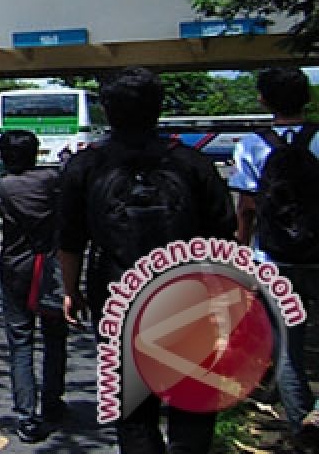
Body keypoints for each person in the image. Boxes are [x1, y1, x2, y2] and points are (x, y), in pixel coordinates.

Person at [59, 67, 236, 453]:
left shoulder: (85, 166)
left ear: (106, 109)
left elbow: (69, 239)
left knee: (132, 409)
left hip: (117, 295)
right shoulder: (193, 164)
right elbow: (225, 234)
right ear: (159, 108)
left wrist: (70, 291)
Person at [229, 66, 319, 452]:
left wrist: (242, 253)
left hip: (273, 257)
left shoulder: (251, 144)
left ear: (263, 99)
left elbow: (247, 207)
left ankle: (302, 429)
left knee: (287, 345)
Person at [0, 129, 67, 443]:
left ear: (1, 156)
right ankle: (53, 403)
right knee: (55, 337)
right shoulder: (55, 182)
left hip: (14, 269)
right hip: (53, 268)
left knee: (20, 342)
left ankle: (27, 417)